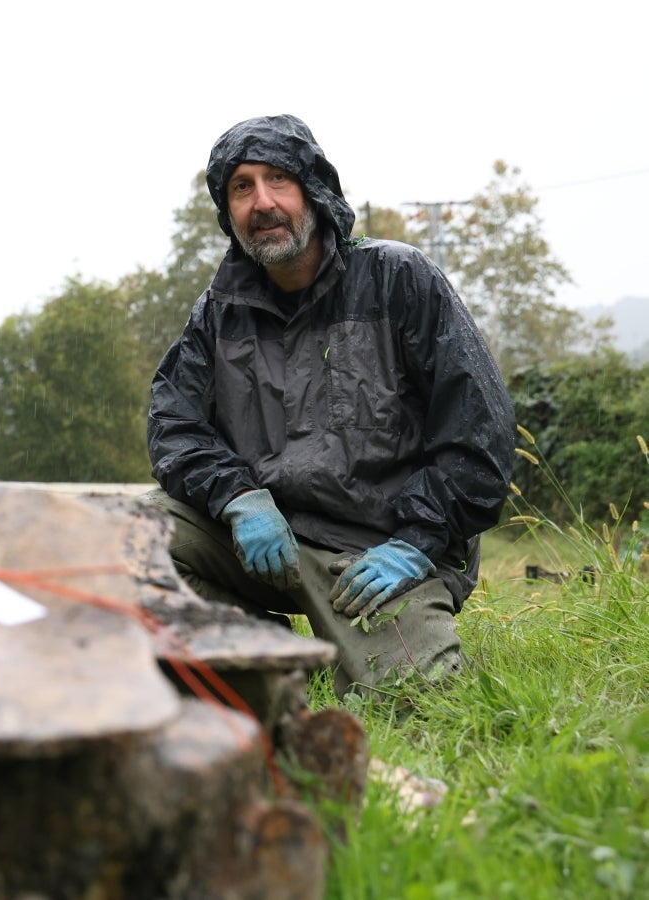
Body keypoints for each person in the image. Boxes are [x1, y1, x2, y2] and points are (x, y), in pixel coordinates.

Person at [144, 114, 516, 700]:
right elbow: (173, 425)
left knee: (418, 701)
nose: (262, 202)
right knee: (121, 544)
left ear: (313, 190)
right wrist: (237, 496)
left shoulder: (400, 278)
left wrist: (419, 540)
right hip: (265, 543)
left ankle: (355, 639)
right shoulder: (219, 311)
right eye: (241, 187)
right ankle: (266, 651)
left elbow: (480, 433)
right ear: (226, 209)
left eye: (277, 181)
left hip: (376, 553)